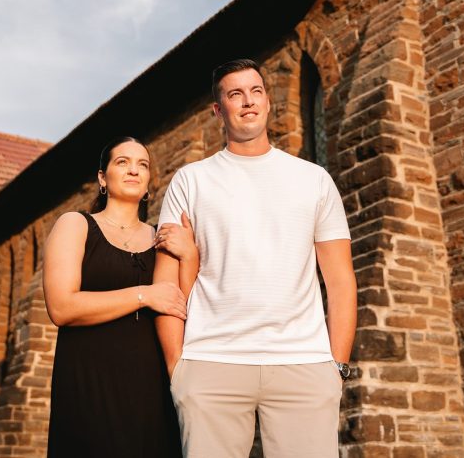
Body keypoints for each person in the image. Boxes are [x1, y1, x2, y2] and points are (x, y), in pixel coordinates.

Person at [153, 59, 357, 458]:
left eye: (256, 91)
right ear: (219, 110)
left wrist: (337, 367)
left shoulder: (313, 180)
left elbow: (340, 280)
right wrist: (179, 369)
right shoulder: (191, 181)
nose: (248, 101)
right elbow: (166, 284)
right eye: (235, 94)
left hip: (303, 364)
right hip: (212, 363)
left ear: (267, 102)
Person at [44, 136, 198, 457]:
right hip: (90, 387)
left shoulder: (162, 237)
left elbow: (184, 304)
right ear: (103, 178)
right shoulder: (77, 225)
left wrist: (190, 255)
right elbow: (61, 307)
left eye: (142, 165)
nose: (133, 170)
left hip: (153, 391)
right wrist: (144, 295)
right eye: (122, 162)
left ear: (148, 183)